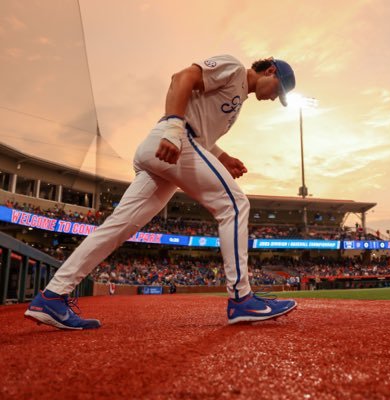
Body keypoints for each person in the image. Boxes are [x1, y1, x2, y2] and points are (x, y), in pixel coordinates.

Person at [24, 54, 297, 329]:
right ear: (270, 71)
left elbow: (201, 131)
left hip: (174, 146)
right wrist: (173, 129)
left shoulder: (238, 99)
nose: (275, 98)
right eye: (279, 91)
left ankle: (52, 296)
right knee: (235, 205)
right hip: (173, 141)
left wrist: (222, 156)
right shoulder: (235, 69)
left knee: (116, 228)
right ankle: (241, 298)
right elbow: (182, 78)